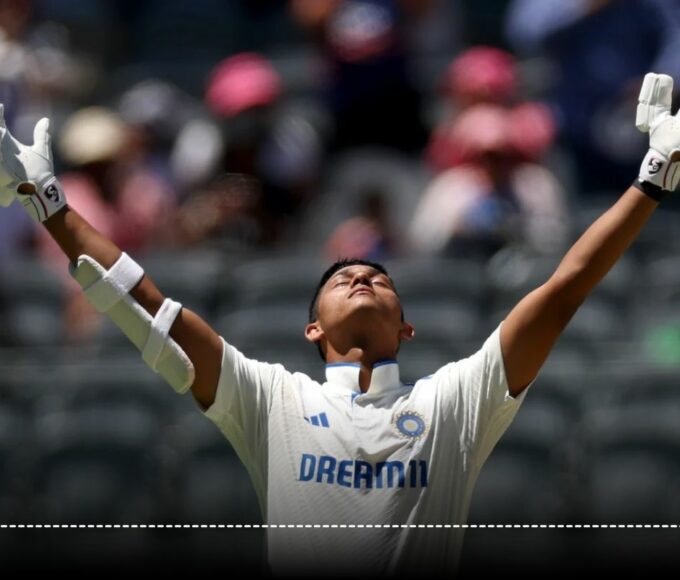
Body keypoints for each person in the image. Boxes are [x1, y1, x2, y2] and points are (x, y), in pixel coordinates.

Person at [0, 72, 678, 576]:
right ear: (311, 332)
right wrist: (47, 200)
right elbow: (147, 303)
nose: (361, 277)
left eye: (380, 279)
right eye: (339, 280)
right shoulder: (271, 399)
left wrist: (651, 177)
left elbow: (564, 289)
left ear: (408, 329)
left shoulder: (454, 401)